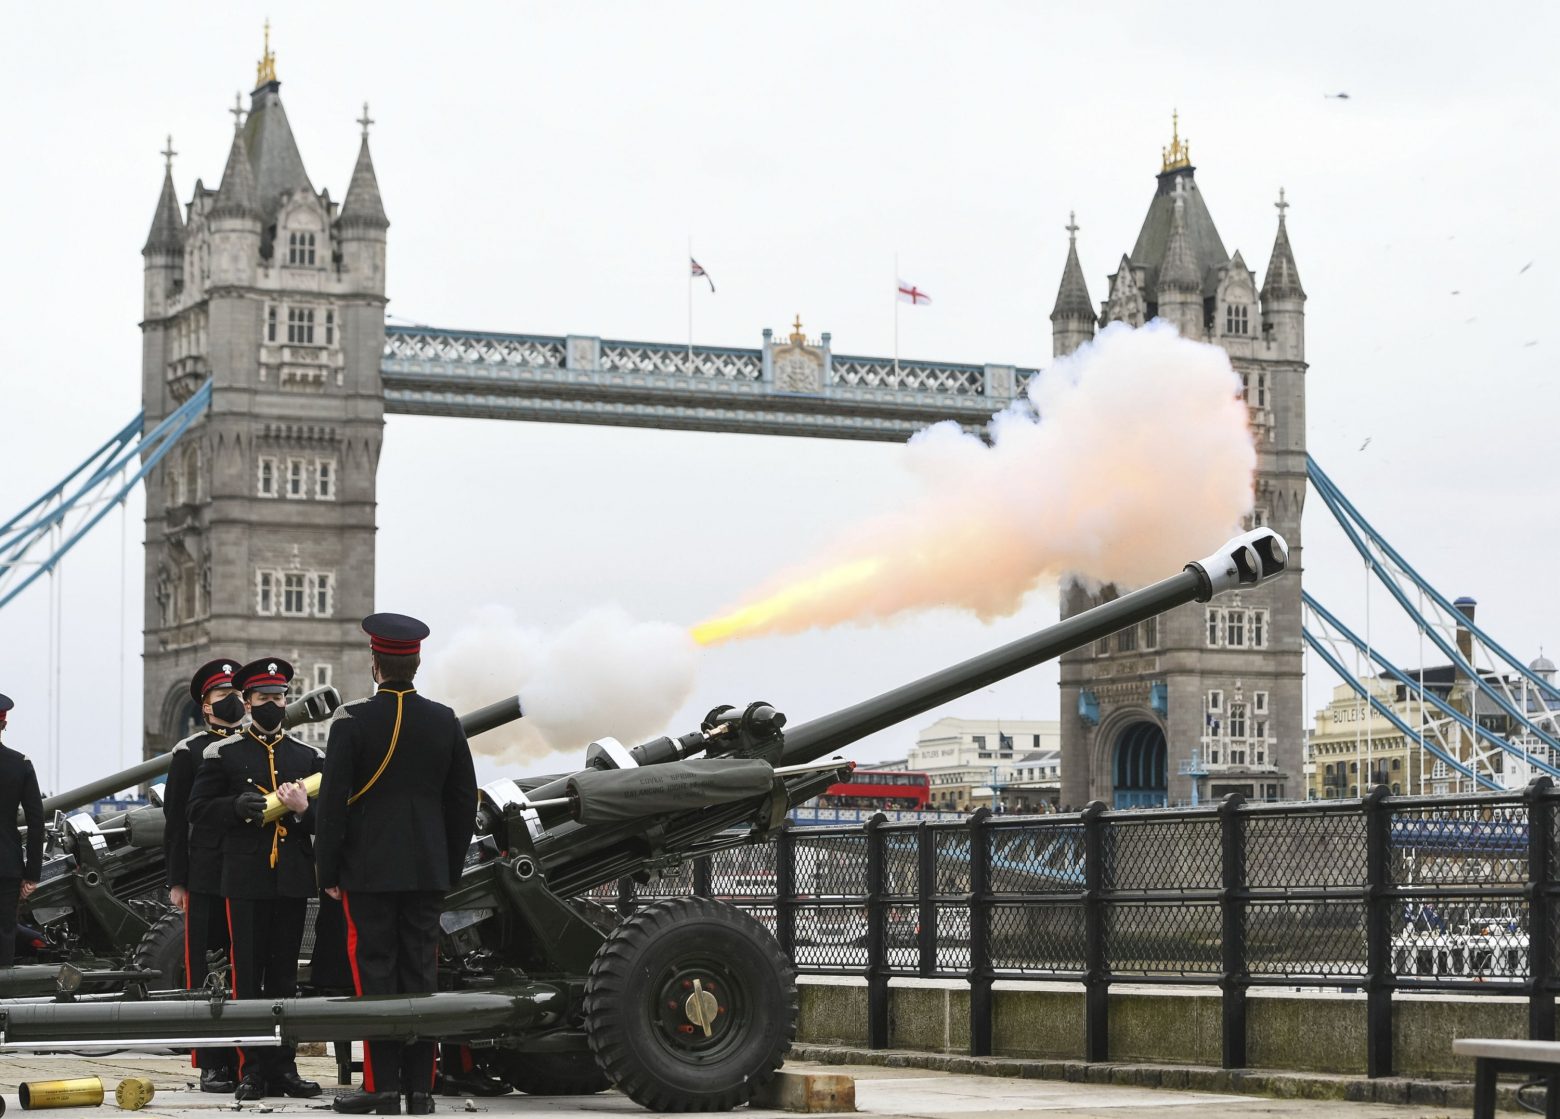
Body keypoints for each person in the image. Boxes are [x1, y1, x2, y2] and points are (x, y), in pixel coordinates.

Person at [317, 614, 477, 1116]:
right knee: (420, 972)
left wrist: (329, 873)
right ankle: (421, 1090)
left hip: (368, 870)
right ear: (417, 663)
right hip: (427, 869)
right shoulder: (445, 720)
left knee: (375, 973)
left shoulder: (351, 720)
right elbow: (462, 802)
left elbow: (333, 803)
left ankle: (382, 1087)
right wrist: (446, 866)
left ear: (375, 664)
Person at [188, 659, 323, 1102]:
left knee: (285, 978)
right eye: (263, 699)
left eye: (279, 698)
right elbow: (198, 812)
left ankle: (285, 1068)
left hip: (290, 879)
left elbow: (328, 821)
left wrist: (303, 809)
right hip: (244, 879)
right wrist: (236, 806)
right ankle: (252, 1071)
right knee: (248, 978)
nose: (273, 705)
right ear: (246, 702)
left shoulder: (307, 757)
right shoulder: (222, 754)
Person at [163, 659, 245, 1092]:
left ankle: (251, 1057)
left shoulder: (257, 745)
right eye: (223, 696)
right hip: (207, 873)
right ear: (206, 705)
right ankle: (213, 1060)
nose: (232, 702)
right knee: (207, 970)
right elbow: (176, 821)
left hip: (250, 873)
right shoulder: (189, 752)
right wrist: (178, 880)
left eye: (236, 693)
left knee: (248, 971)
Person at [0, 693, 43, 969]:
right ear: (4, 722)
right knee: (5, 931)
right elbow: (36, 820)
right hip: (7, 865)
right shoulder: (20, 764)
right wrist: (32, 874)